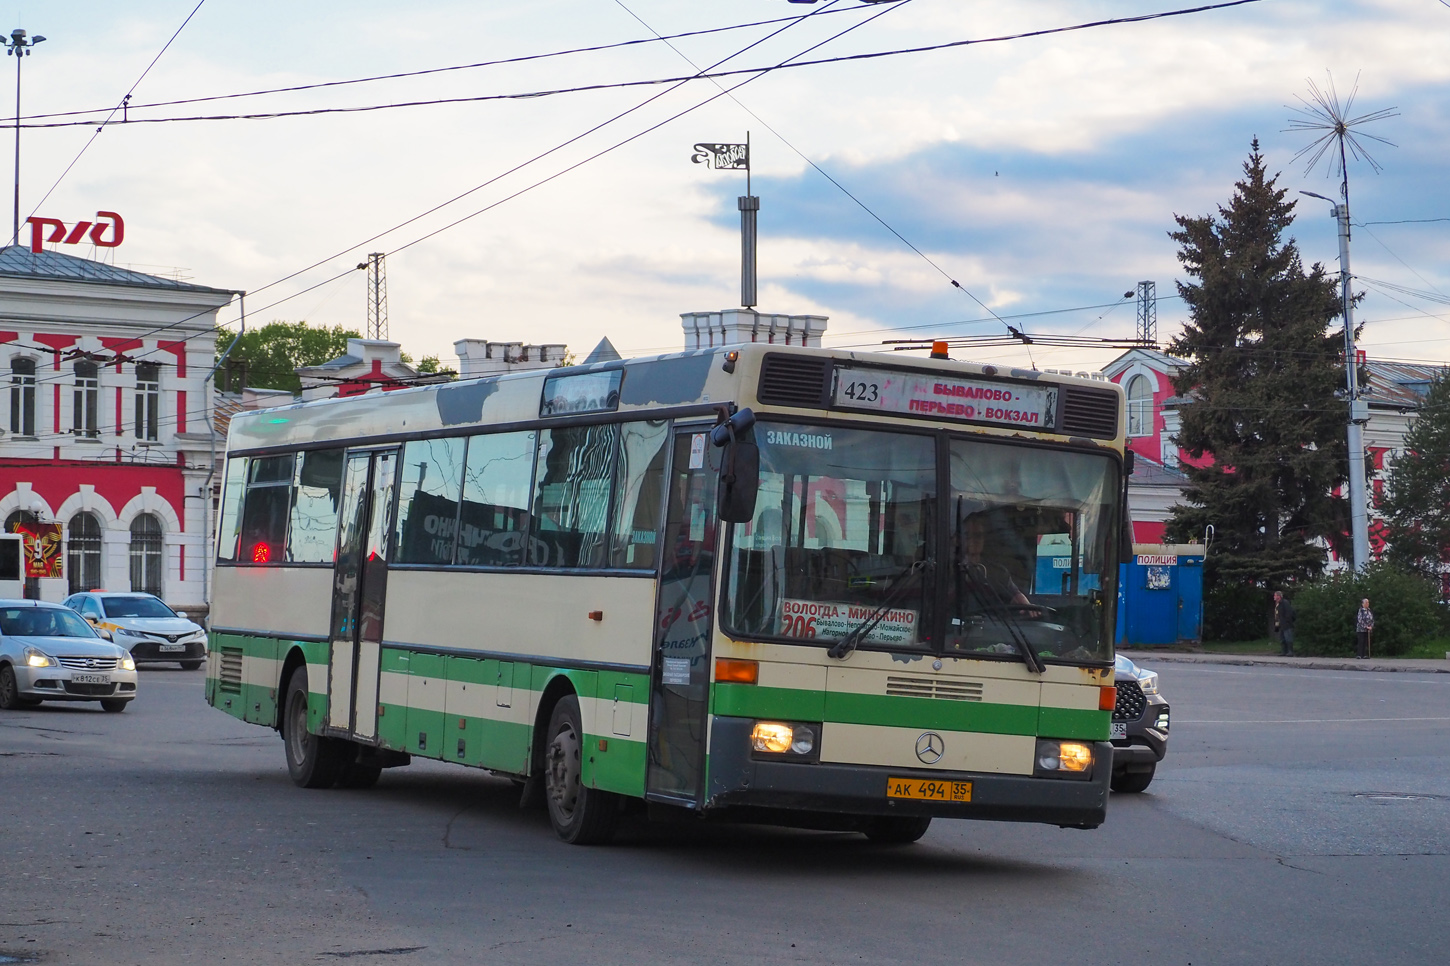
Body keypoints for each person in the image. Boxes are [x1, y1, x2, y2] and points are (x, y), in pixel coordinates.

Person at [1273, 590, 1295, 657]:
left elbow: (1289, 613)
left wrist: (1287, 621)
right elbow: (1277, 615)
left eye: (1275, 595)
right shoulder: (1278, 604)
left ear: (1278, 596)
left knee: (1288, 637)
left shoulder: (1285, 603)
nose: (1274, 597)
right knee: (1282, 638)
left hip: (1286, 624)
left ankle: (1290, 651)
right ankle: (1284, 651)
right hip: (1281, 624)